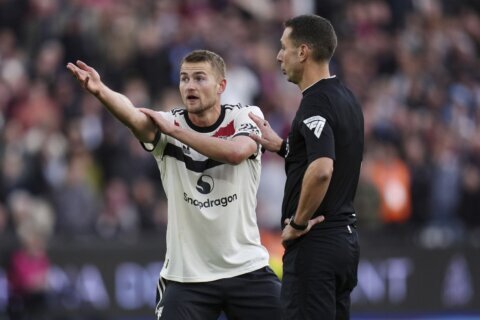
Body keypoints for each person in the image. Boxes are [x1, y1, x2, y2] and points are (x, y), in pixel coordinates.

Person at [67, 50, 282, 320]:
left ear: (221, 86)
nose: (190, 86)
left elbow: (237, 153)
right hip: (186, 277)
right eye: (184, 78)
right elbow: (134, 116)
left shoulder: (244, 116)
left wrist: (177, 132)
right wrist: (100, 91)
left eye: (200, 78)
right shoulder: (168, 123)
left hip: (246, 268)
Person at [249, 15, 364, 319]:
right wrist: (283, 146)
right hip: (345, 240)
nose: (278, 56)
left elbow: (323, 168)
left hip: (316, 244)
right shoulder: (346, 97)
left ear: (303, 52)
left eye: (283, 47)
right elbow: (335, 156)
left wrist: (298, 224)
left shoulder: (316, 102)